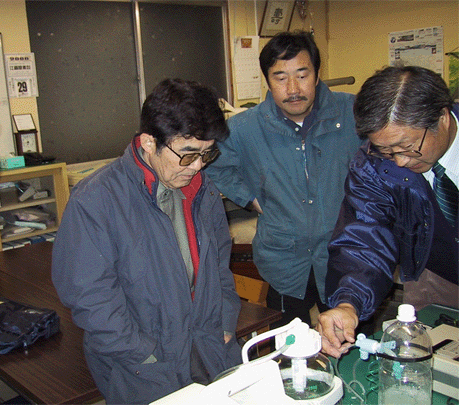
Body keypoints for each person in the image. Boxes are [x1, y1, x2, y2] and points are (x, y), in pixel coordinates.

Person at [52, 79, 242, 404]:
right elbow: (90, 297)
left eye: (206, 154)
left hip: (209, 345)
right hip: (144, 366)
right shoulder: (96, 199)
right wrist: (143, 353)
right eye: (187, 155)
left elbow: (219, 263)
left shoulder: (202, 189)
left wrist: (224, 321)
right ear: (149, 142)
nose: (198, 166)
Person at [205, 31, 362, 327]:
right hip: (284, 261)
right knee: (290, 345)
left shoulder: (353, 114)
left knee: (348, 341)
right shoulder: (244, 128)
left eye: (302, 76)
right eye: (280, 78)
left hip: (344, 258)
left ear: (317, 74)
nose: (293, 89)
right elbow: (213, 164)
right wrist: (252, 200)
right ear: (267, 80)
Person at [317, 66, 458, 358]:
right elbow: (365, 237)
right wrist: (349, 303)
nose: (401, 162)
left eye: (407, 147)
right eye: (386, 149)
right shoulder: (374, 164)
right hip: (435, 277)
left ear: (442, 118)